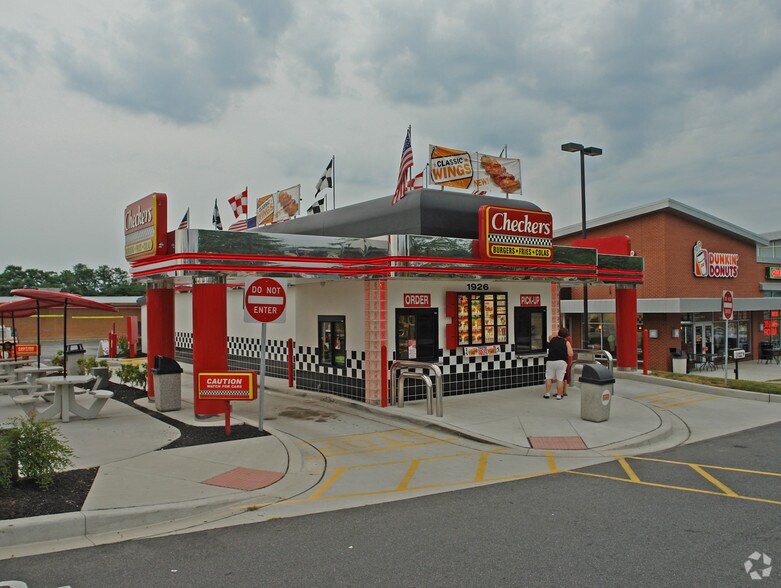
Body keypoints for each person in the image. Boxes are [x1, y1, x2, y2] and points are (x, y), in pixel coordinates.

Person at [544, 327, 574, 400]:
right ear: (566, 335)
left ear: (558, 333)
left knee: (548, 378)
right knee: (560, 379)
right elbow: (571, 354)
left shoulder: (552, 340)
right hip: (561, 362)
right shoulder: (566, 342)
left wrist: (556, 334)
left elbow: (550, 336)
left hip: (550, 361)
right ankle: (559, 395)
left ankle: (547, 393)